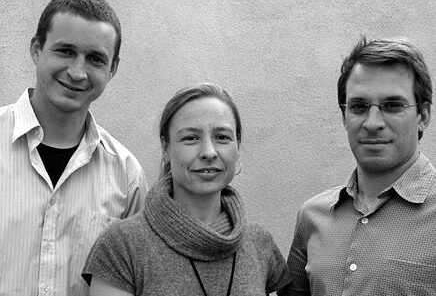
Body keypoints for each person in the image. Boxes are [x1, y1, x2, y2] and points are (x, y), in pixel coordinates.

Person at [0, 0, 147, 295]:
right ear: (36, 49)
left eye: (95, 59)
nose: (78, 72)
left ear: (113, 68)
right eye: (65, 51)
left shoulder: (127, 176)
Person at [82, 83, 291, 295]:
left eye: (222, 137)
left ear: (238, 145)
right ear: (166, 148)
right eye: (191, 138)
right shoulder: (122, 246)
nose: (209, 152)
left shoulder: (260, 244)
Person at [285, 37, 436, 295]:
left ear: (422, 115)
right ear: (344, 116)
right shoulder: (312, 216)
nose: (373, 122)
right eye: (359, 106)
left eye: (392, 106)